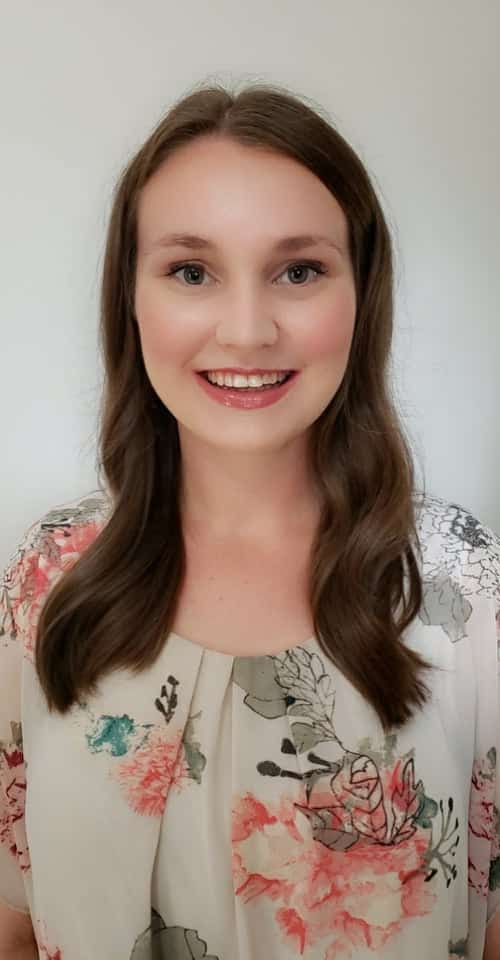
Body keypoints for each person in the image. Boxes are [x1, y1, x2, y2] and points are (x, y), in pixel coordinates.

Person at [0, 79, 499, 960]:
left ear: (362, 292)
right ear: (131, 296)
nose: (245, 328)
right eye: (192, 271)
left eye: (298, 270)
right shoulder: (48, 575)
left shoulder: (468, 589)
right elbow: (12, 912)